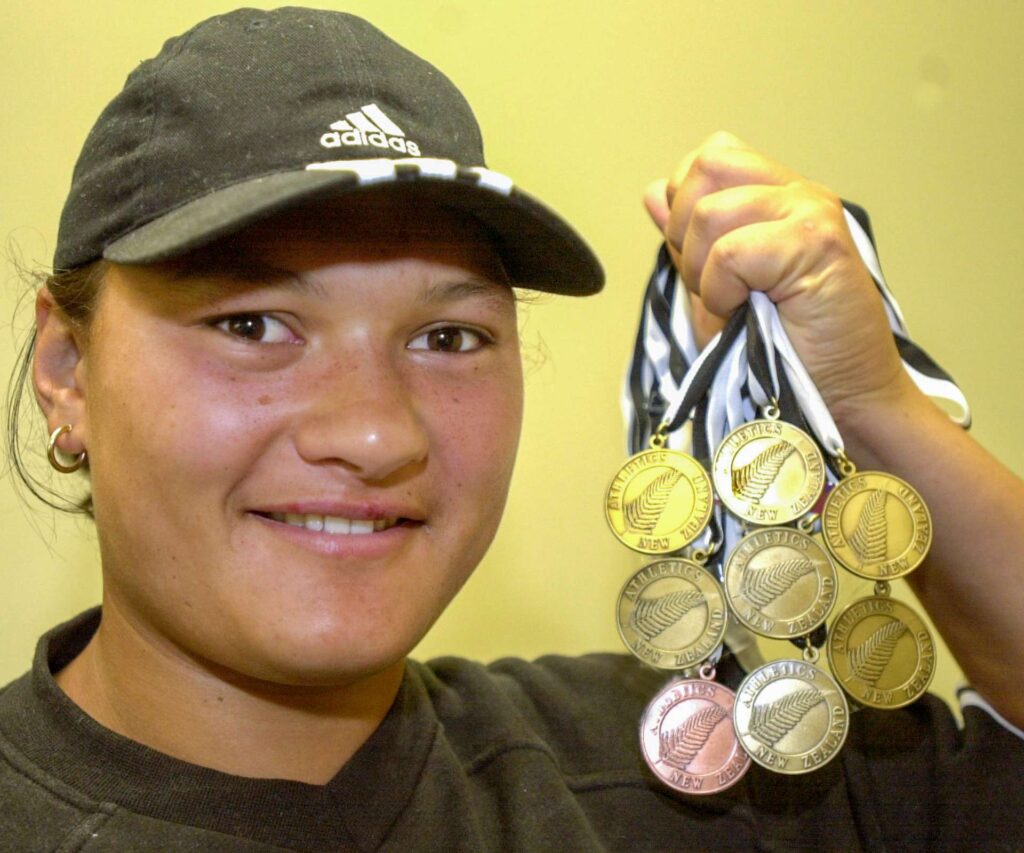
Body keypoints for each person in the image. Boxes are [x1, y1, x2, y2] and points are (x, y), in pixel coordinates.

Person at [1, 6, 1022, 851]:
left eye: (447, 335)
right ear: (66, 372)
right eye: (251, 323)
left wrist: (864, 403)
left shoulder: (699, 771)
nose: (373, 434)